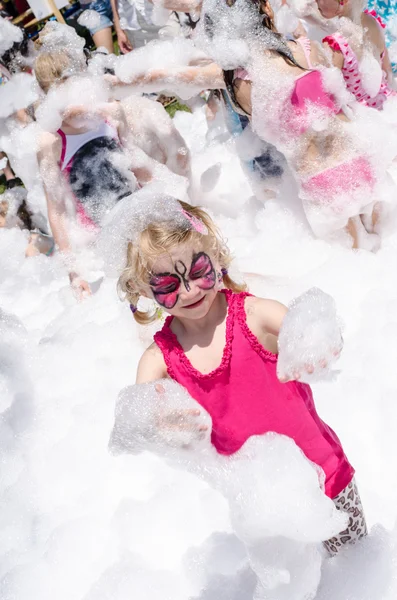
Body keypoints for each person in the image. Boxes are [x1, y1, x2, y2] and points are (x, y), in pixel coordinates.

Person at [117, 197, 367, 555]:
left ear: (216, 258)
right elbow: (141, 412)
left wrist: (321, 341)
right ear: (144, 291)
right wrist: (165, 423)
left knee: (355, 572)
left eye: (199, 270)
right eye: (168, 284)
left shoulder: (256, 316)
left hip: (327, 478)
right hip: (261, 503)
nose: (189, 291)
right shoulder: (160, 359)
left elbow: (313, 330)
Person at [200, 0, 384, 248]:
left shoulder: (236, 82)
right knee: (385, 242)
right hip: (358, 154)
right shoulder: (305, 52)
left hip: (316, 178)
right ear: (266, 9)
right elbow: (342, 79)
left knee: (353, 257)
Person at [35, 50, 154, 298]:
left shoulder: (111, 114)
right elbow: (56, 210)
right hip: (103, 237)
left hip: (142, 212)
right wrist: (74, 272)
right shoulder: (51, 141)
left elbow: (139, 167)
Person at [316, 0, 396, 110]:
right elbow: (388, 71)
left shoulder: (335, 44)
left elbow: (330, 98)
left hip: (363, 116)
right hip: (389, 105)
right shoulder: (374, 22)